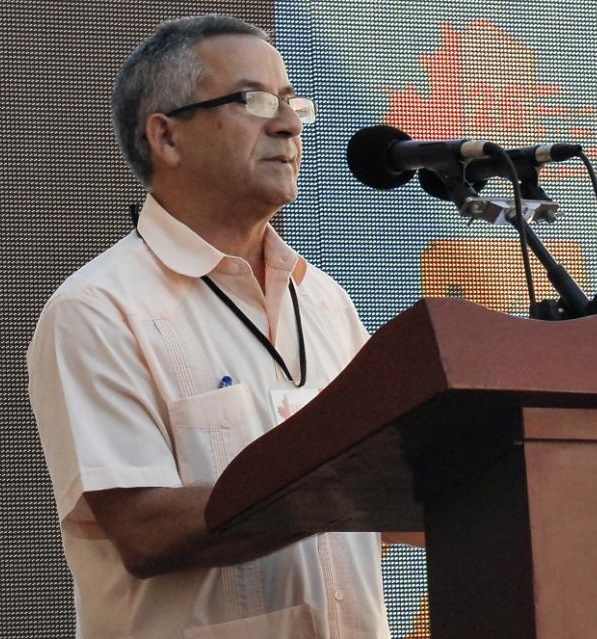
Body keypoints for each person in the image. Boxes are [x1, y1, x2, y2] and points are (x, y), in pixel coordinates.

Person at [27, 15, 391, 639]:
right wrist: (330, 485)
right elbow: (143, 529)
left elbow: (389, 515)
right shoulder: (98, 308)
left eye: (292, 103)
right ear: (167, 138)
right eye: (253, 100)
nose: (288, 124)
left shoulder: (328, 301)